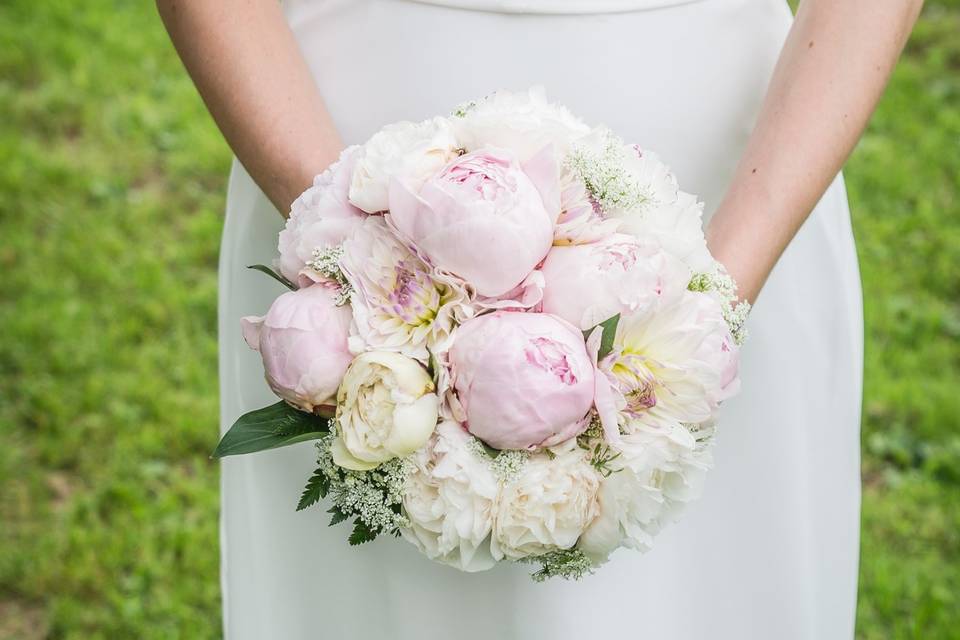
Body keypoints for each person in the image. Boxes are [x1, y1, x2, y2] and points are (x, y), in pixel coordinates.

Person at [158, 0, 923, 637]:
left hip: (738, 182)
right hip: (342, 151)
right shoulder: (350, 225)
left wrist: (707, 305)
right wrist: (355, 237)